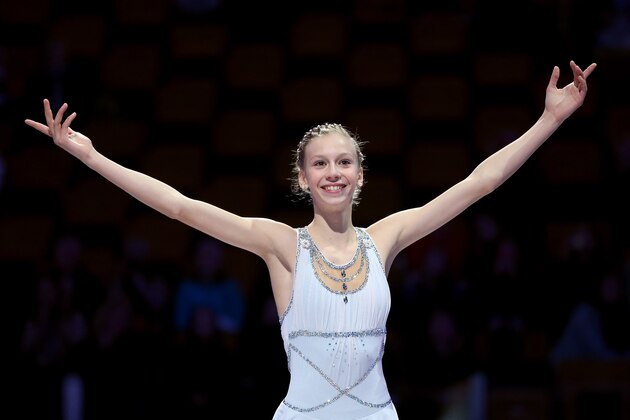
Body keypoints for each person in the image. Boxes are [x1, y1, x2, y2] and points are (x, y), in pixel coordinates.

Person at [25, 60, 596, 419]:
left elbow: (480, 183)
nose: (333, 172)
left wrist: (550, 120)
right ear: (302, 178)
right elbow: (180, 208)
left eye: (344, 161)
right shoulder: (279, 244)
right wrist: (92, 156)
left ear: (360, 175)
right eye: (320, 163)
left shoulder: (387, 237)